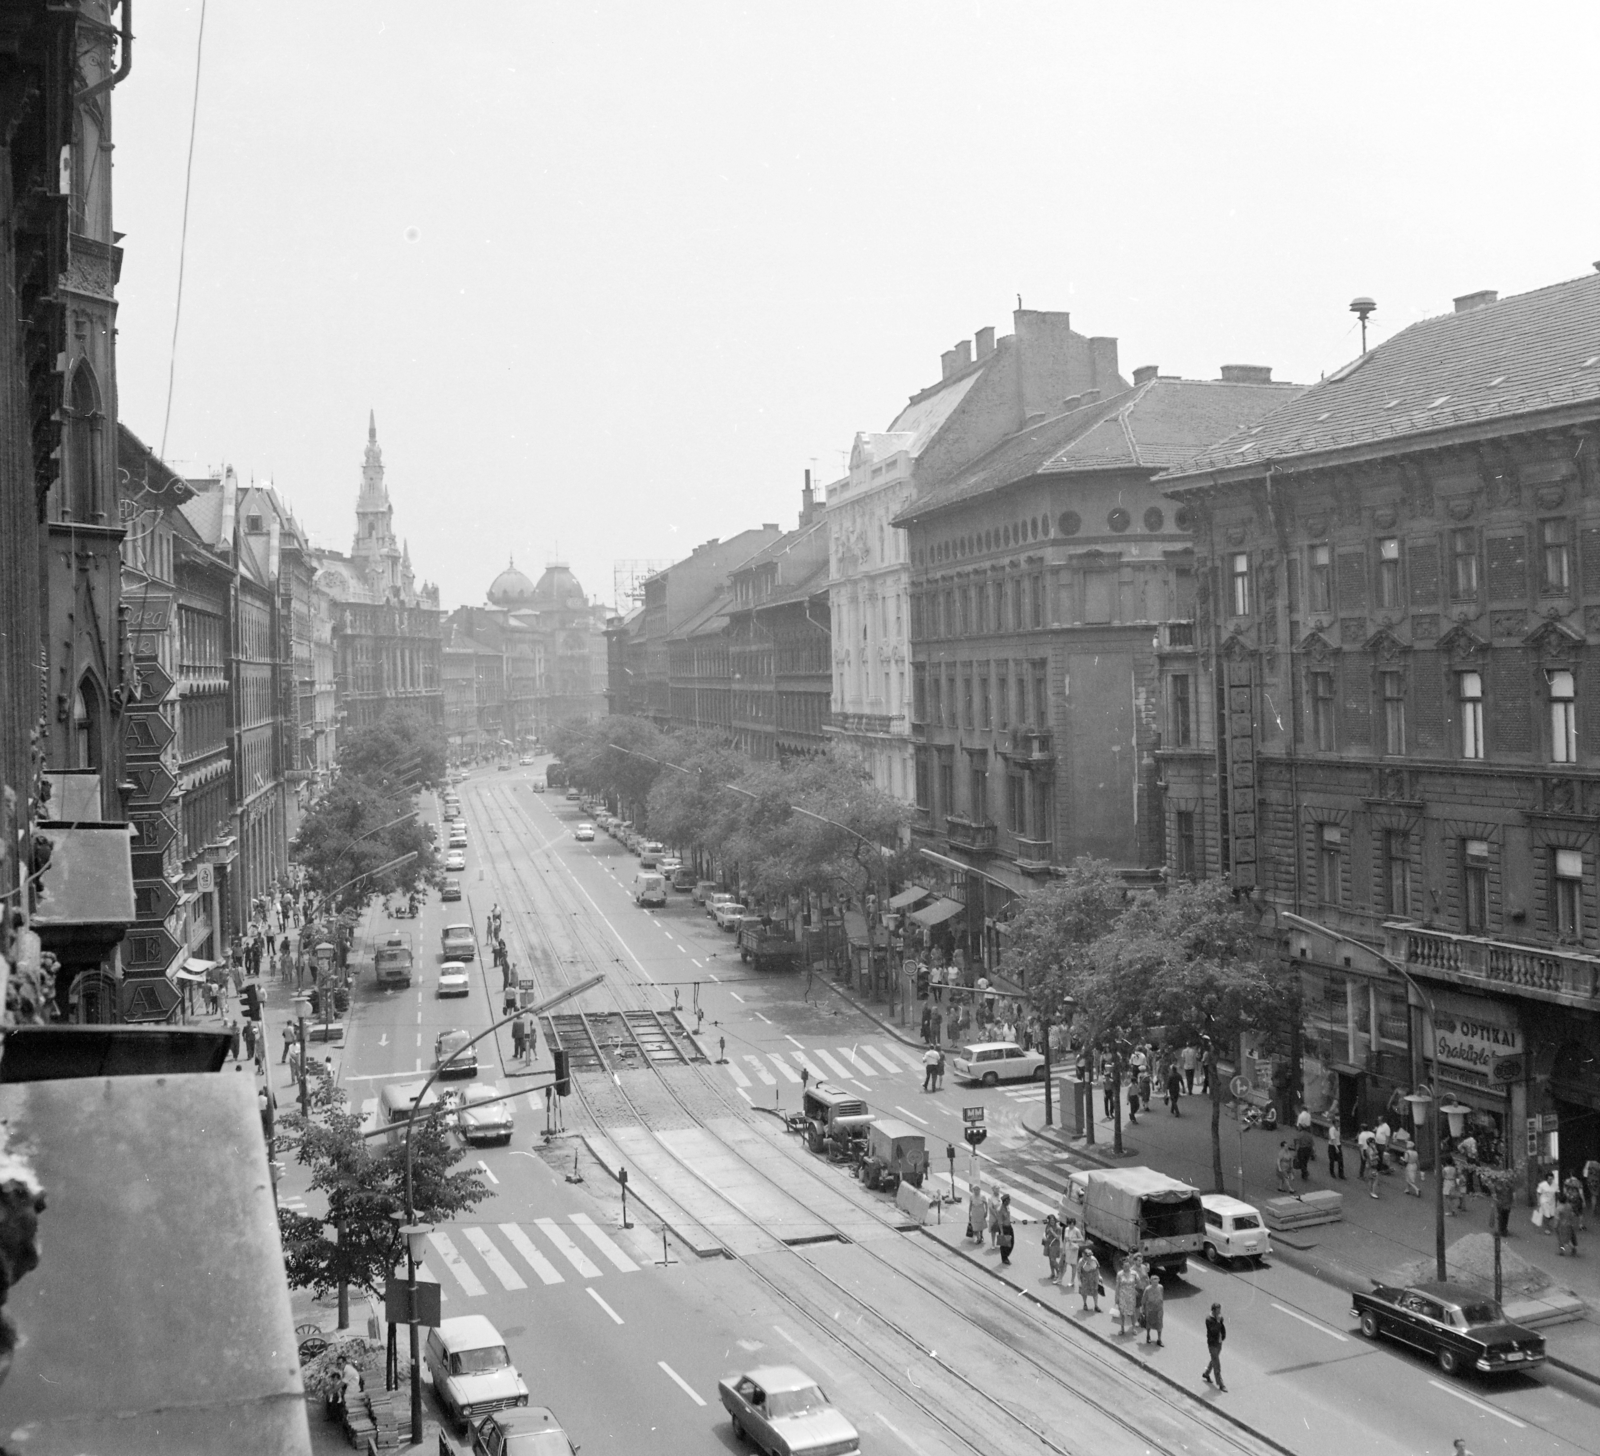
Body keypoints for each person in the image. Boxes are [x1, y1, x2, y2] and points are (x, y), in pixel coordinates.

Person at [1202, 1302, 1227, 1391]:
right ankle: (1221, 1384)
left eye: (1220, 1310)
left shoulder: (1219, 1318)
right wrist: (1218, 1321)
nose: (1219, 1312)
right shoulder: (1209, 1319)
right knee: (1217, 1363)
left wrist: (1223, 1335)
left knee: (1214, 1359)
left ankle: (1206, 1373)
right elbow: (1214, 1330)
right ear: (1213, 1310)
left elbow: (1221, 1328)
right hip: (1212, 1344)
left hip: (1219, 1342)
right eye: (1217, 1310)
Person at [1115, 1257, 1139, 1336]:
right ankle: (1122, 1328)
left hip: (1131, 1295)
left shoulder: (1134, 1273)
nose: (1127, 1268)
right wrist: (1116, 1297)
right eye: (1125, 1266)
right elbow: (1117, 1286)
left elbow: (1139, 1282)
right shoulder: (1119, 1274)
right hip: (1122, 1295)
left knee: (1132, 1312)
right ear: (1122, 1266)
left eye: (1128, 1266)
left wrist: (1135, 1289)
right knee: (1122, 1312)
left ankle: (1133, 1327)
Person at [1141, 1272, 1165, 1346]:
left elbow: (1162, 1296)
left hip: (1159, 1309)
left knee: (1159, 1324)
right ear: (1150, 1281)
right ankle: (1148, 1336)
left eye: (1157, 1280)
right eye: (1153, 1281)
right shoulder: (1148, 1289)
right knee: (1149, 1324)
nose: (1155, 1282)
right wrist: (1143, 1310)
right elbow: (1143, 1300)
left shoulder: (1160, 1287)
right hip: (1150, 1310)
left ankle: (1159, 1339)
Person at [1076, 1244, 1101, 1313]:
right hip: (1085, 1278)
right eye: (1087, 1256)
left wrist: (1099, 1276)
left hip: (1093, 1278)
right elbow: (1078, 1271)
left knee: (1095, 1292)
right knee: (1084, 1292)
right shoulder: (1081, 1261)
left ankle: (1096, 1306)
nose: (1089, 1258)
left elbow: (1097, 1268)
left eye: (1090, 1256)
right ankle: (1085, 1304)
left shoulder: (1093, 1259)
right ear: (1084, 1255)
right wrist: (1079, 1281)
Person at [997, 1194, 1015, 1265]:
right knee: (1004, 1244)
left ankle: (1006, 1255)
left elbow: (1007, 1217)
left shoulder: (1007, 1207)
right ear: (1005, 1201)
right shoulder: (1000, 1210)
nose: (1010, 1201)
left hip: (1009, 1226)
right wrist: (1001, 1232)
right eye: (1009, 1200)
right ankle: (1004, 1258)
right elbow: (1000, 1222)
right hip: (1003, 1228)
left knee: (1012, 1242)